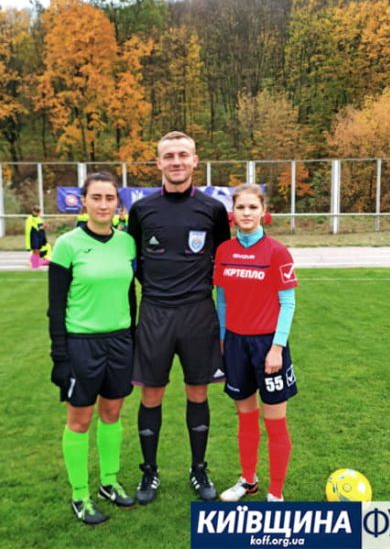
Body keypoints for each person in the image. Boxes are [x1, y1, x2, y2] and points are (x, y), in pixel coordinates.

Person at [128, 131, 231, 504]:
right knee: (151, 393)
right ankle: (149, 472)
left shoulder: (213, 210)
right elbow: (135, 263)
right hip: (155, 313)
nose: (176, 161)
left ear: (195, 160)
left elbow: (223, 262)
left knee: (197, 391)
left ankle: (198, 469)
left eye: (183, 155)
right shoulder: (142, 210)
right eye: (169, 155)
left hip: (198, 314)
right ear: (158, 162)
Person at [47, 172, 137, 525]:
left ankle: (109, 482)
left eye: (109, 198)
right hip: (81, 343)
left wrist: (132, 336)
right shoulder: (67, 245)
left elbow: (130, 296)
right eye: (96, 197)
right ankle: (80, 494)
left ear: (118, 203)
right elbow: (56, 306)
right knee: (80, 420)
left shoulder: (126, 243)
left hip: (120, 341)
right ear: (83, 201)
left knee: (112, 414)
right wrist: (60, 357)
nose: (103, 204)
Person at [213, 184, 298, 502]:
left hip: (268, 346)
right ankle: (248, 480)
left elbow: (287, 303)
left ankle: (276, 493)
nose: (246, 213)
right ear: (232, 213)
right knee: (246, 418)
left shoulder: (277, 252)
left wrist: (277, 348)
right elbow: (222, 301)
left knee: (275, 422)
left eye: (253, 207)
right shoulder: (224, 251)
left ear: (264, 212)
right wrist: (223, 340)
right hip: (235, 344)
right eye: (241, 207)